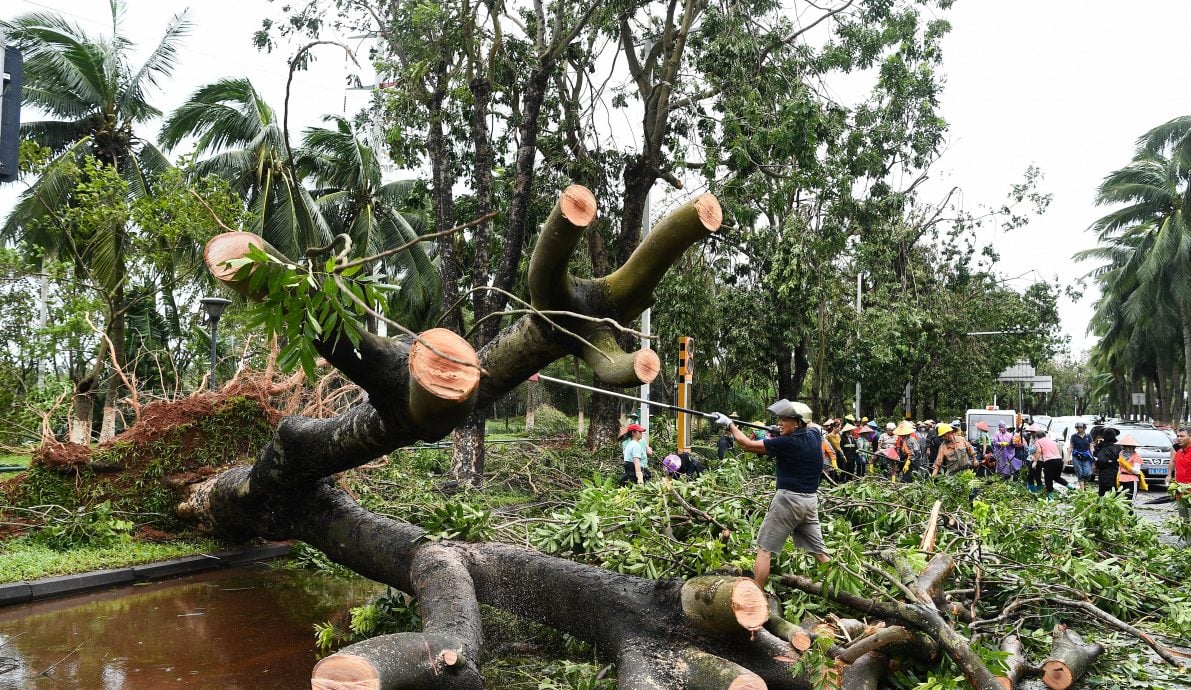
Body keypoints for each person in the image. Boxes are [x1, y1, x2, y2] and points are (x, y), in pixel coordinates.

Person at [713, 399, 831, 588]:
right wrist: (781, 429)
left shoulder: (788, 443)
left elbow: (746, 444)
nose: (781, 422)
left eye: (786, 419)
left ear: (798, 423)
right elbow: (814, 426)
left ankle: (755, 594)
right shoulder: (815, 436)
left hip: (788, 502)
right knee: (819, 552)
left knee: (764, 548)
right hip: (809, 503)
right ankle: (845, 587)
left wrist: (730, 424)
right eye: (780, 419)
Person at [1031, 424, 1070, 497]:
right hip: (1059, 460)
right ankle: (1072, 487)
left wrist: (1035, 461)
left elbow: (1039, 451)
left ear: (1037, 437)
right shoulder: (1051, 441)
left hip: (1050, 461)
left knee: (1048, 479)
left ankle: (1050, 497)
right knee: (1056, 477)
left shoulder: (1038, 441)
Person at [1171, 427, 1191, 546]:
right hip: (1180, 494)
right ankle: (1187, 546)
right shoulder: (1178, 452)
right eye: (1178, 436)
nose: (1178, 438)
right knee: (1184, 520)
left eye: (1182, 436)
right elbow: (1176, 469)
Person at [1115, 435, 1145, 504]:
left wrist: (1127, 466)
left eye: (1129, 447)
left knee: (1130, 501)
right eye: (1125, 446)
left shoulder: (1136, 456)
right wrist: (1118, 476)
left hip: (1132, 480)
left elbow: (1137, 471)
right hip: (1122, 479)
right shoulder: (1121, 453)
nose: (1127, 448)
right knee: (1120, 501)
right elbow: (1120, 467)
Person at [1093, 428, 1121, 498]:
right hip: (1116, 473)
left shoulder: (1102, 447)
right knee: (1114, 493)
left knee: (1103, 494)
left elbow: (1099, 459)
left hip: (1104, 474)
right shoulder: (1118, 447)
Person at [1068, 422, 1094, 489]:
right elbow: (1071, 447)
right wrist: (1068, 457)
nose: (1079, 429)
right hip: (1076, 456)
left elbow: (1091, 447)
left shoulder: (1088, 436)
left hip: (1086, 456)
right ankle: (1082, 490)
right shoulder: (1074, 436)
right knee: (1080, 473)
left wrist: (1092, 455)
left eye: (1080, 427)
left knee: (1088, 473)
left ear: (1084, 428)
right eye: (1077, 428)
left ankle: (1083, 486)